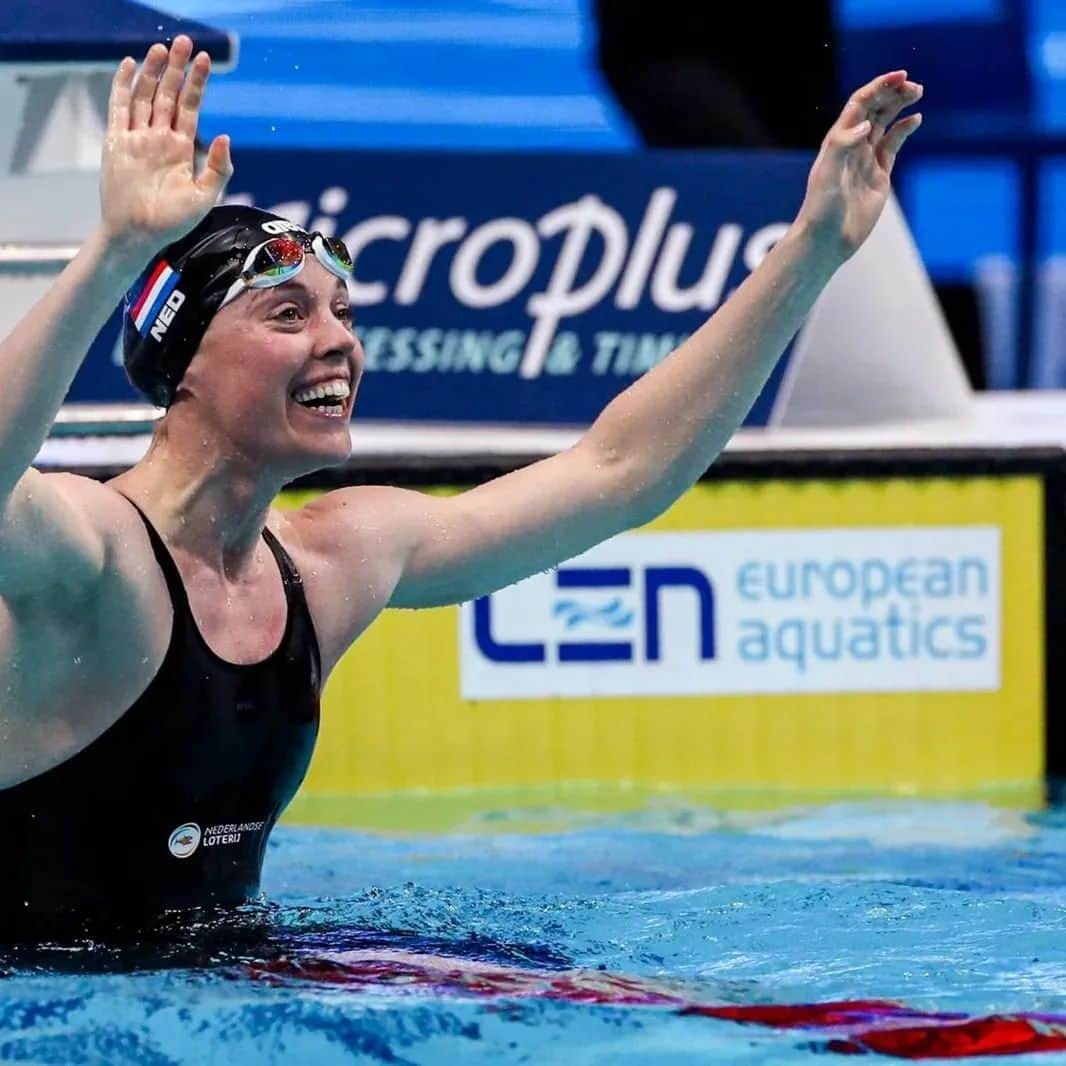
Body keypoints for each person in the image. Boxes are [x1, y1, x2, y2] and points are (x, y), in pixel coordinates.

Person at [0, 36, 922, 938]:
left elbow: (618, 473)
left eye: (343, 311)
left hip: (225, 976)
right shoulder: (95, 560)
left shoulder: (328, 563)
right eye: (289, 313)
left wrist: (810, 253)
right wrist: (118, 250)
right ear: (185, 365)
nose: (339, 341)